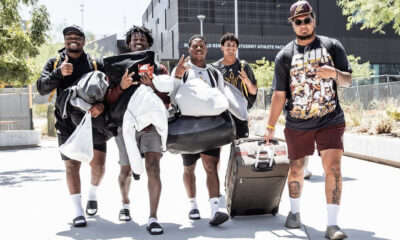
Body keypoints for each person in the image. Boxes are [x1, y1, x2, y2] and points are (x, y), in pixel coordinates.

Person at [263, 1, 352, 239]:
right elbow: (279, 95)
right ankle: (295, 213)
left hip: (330, 119)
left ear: (314, 19)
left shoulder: (332, 46)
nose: (303, 25)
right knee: (296, 170)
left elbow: (348, 80)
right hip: (298, 123)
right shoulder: (284, 56)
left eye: (307, 20)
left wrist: (333, 73)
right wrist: (270, 127)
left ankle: (332, 225)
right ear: (293, 25)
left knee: (333, 168)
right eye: (298, 22)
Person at [37, 25, 107, 227]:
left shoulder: (95, 63)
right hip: (66, 122)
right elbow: (41, 88)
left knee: (99, 166)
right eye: (69, 37)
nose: (72, 39)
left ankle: (92, 194)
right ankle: (78, 211)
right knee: (71, 166)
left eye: (77, 37)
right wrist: (58, 73)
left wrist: (102, 105)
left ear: (84, 41)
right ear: (65, 41)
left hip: (94, 120)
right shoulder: (55, 62)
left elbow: (109, 88)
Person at [105, 25, 169, 235]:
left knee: (153, 167)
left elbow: (167, 102)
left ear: (149, 44)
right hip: (125, 126)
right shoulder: (118, 67)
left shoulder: (159, 69)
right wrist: (121, 86)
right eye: (135, 39)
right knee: (126, 169)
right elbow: (108, 99)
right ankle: (125, 203)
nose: (138, 41)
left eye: (142, 39)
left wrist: (154, 86)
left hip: (151, 126)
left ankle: (153, 217)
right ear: (129, 44)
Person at [171, 35, 230, 226]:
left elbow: (222, 98)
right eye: (194, 46)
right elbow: (172, 96)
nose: (198, 49)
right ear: (189, 49)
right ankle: (193, 205)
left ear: (206, 50)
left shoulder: (215, 73)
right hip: (188, 128)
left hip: (210, 127)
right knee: (189, 168)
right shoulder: (182, 70)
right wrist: (177, 77)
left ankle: (215, 210)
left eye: (201, 46)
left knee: (211, 166)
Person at [212, 33, 257, 138]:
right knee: (218, 147)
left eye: (234, 45)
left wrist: (247, 81)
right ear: (222, 47)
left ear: (236, 48)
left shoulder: (243, 66)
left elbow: (254, 91)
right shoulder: (214, 68)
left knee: (241, 147)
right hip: (221, 114)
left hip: (239, 114)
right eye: (228, 45)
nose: (231, 47)